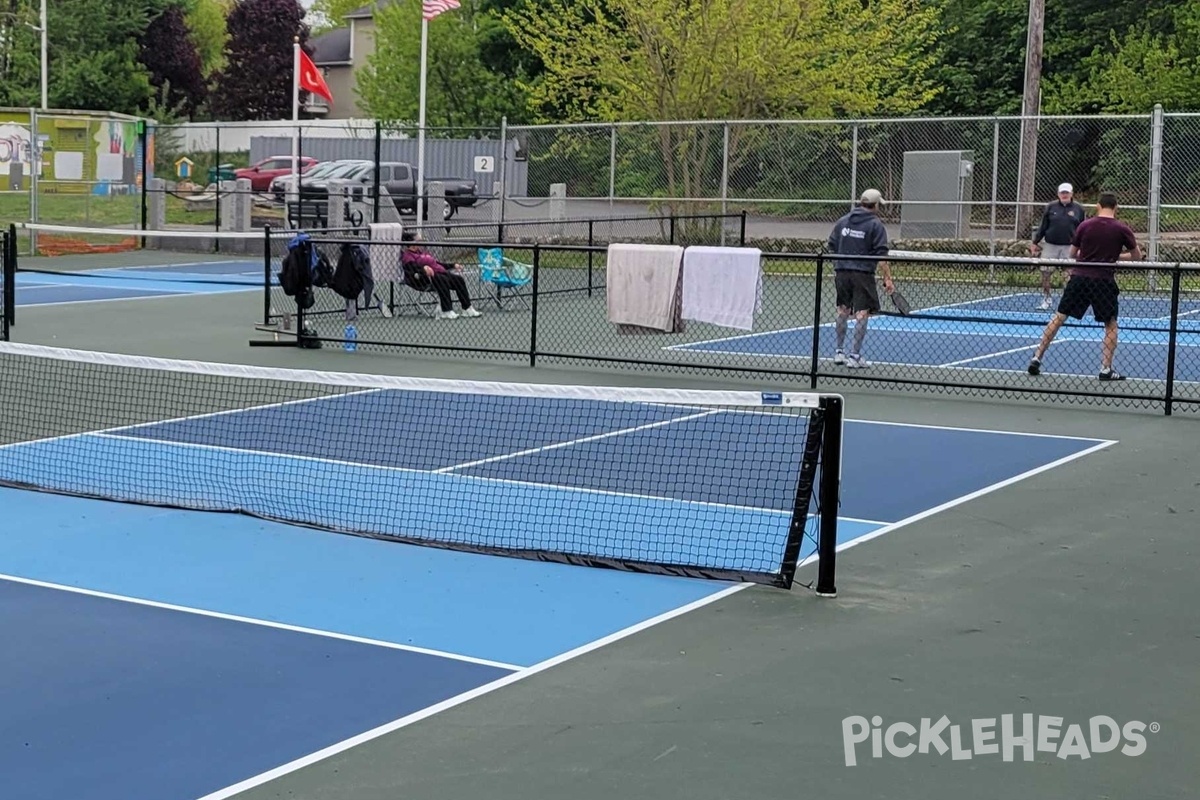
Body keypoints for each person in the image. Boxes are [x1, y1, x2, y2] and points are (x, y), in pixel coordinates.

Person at [1027, 192, 1141, 381]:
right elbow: (1136, 256)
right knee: (1110, 323)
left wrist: (1095, 255)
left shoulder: (1085, 225)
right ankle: (1106, 368)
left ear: (1098, 206)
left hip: (1079, 277)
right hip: (1103, 280)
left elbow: (1072, 254)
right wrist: (1114, 255)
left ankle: (1037, 356)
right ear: (1116, 207)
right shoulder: (1122, 228)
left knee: (1059, 317)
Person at [826, 188, 894, 368]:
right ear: (876, 205)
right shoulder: (876, 225)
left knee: (842, 310)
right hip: (862, 274)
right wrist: (888, 279)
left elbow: (832, 245)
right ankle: (854, 356)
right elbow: (882, 255)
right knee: (862, 314)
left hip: (841, 272)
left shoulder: (843, 221)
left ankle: (839, 352)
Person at [399, 232, 481, 319]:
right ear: (412, 243)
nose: (421, 242)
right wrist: (424, 269)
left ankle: (467, 308)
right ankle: (446, 310)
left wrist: (453, 265)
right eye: (419, 240)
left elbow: (437, 263)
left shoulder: (421, 252)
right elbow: (412, 269)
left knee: (459, 279)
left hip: (439, 274)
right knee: (442, 279)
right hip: (424, 279)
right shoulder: (408, 256)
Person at [1030, 183, 1086, 309]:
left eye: (1067, 193)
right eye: (1062, 193)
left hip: (1070, 247)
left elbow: (1083, 229)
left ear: (1071, 194)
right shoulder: (1050, 207)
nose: (1064, 195)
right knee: (1045, 273)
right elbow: (1043, 226)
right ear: (1058, 194)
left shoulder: (1079, 209)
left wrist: (1081, 246)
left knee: (1070, 275)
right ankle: (1047, 299)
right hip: (1050, 245)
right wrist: (1035, 242)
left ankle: (1068, 301)